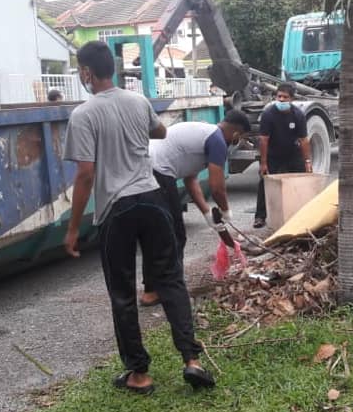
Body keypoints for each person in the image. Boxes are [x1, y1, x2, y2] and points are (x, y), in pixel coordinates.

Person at [62, 41, 214, 393]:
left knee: (122, 292)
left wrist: (72, 230)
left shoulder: (83, 115)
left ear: (86, 72)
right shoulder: (138, 101)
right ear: (112, 69)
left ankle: (139, 373)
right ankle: (192, 359)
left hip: (118, 208)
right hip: (153, 199)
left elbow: (85, 174)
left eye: (80, 71)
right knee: (171, 279)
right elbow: (160, 132)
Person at [138, 110, 252, 307]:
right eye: (241, 138)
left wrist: (207, 213)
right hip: (158, 173)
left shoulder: (206, 134)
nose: (239, 141)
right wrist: (226, 211)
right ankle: (168, 288)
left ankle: (152, 289)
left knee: (156, 234)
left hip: (147, 168)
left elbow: (190, 179)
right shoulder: (217, 141)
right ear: (235, 133)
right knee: (173, 235)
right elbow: (217, 188)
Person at [253, 82, 312, 229]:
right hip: (273, 153)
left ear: (291, 99)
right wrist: (263, 163)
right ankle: (260, 216)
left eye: (285, 97)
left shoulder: (298, 115)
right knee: (265, 181)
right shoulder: (268, 114)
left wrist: (307, 161)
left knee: (301, 181)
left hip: (292, 152)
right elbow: (263, 140)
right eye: (279, 96)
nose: (281, 100)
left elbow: (304, 140)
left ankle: (303, 213)